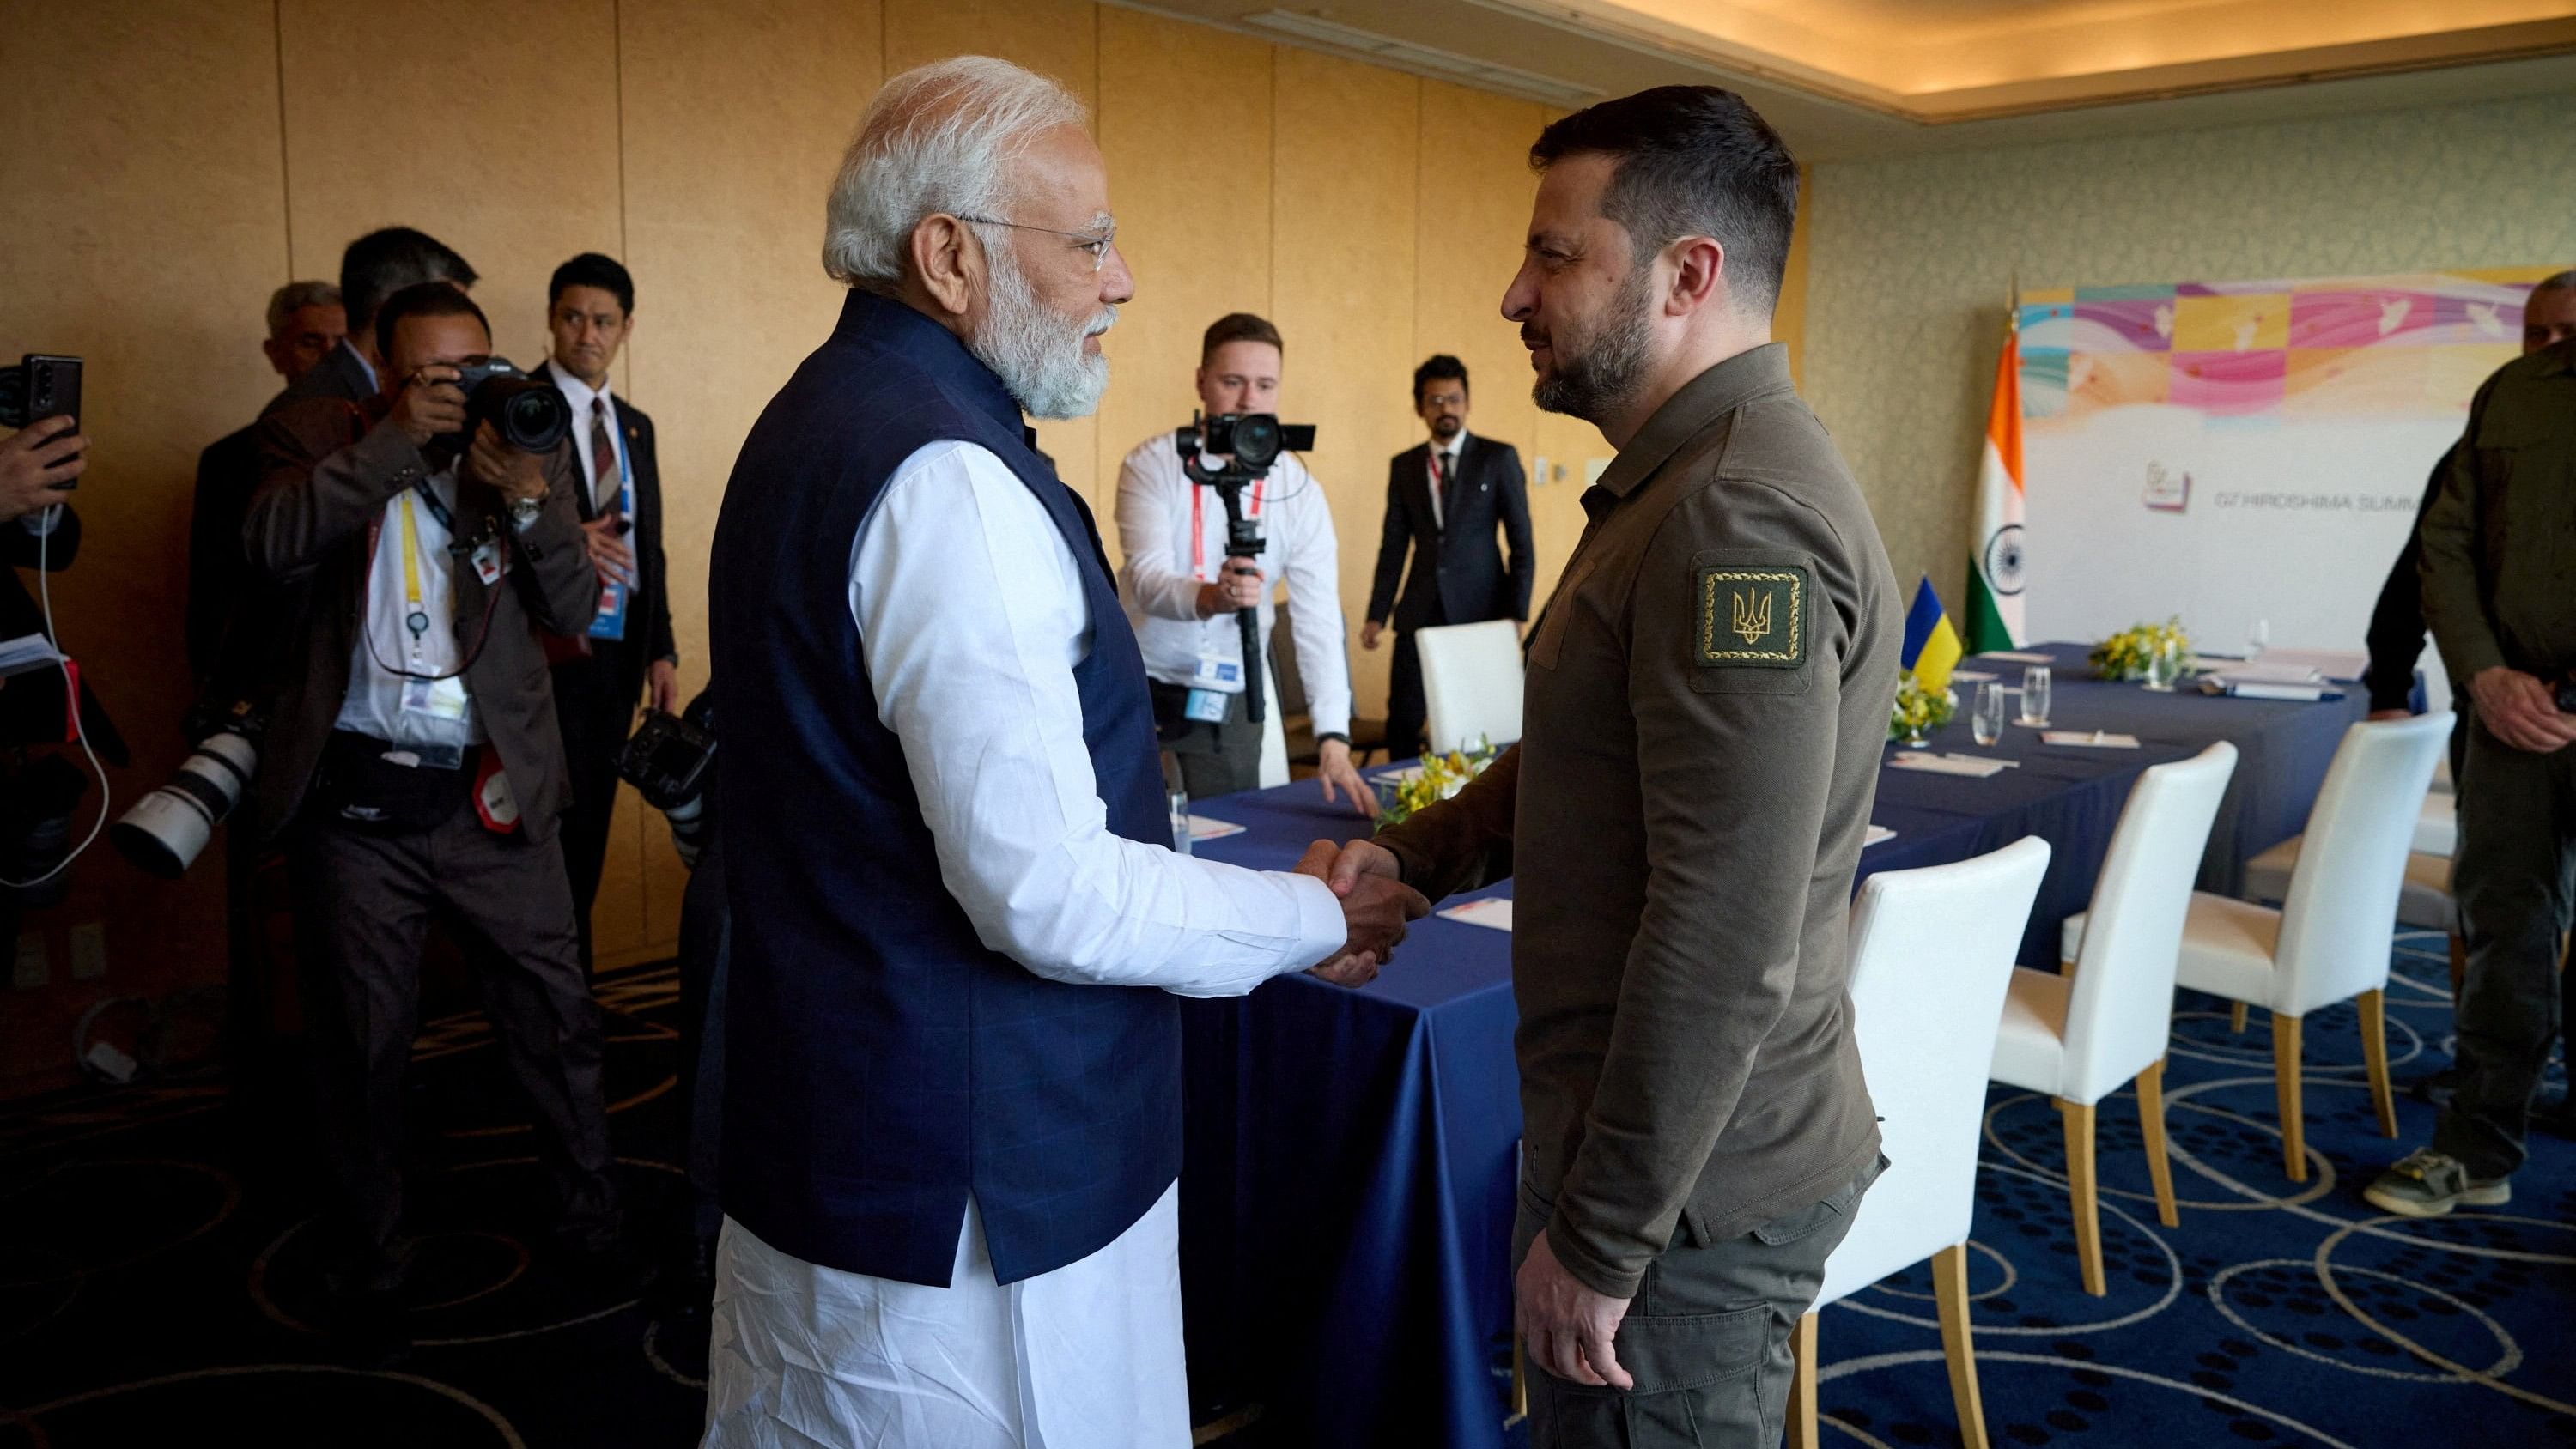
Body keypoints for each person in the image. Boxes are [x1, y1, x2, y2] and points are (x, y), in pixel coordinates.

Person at [703, 57, 1427, 1448]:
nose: (1123, 277)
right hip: (980, 1208)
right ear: (951, 256)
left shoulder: (821, 418)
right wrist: (1310, 911)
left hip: (843, 1142)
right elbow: (1045, 891)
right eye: (1088, 239)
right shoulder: (948, 480)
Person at [1317, 86, 1895, 1446]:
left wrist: (1604, 1237)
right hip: (1656, 1157)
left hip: (1681, 1201)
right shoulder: (1677, 479)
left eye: (1556, 255)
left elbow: (1726, 926)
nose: (1515, 294)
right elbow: (1591, 752)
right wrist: (1420, 850)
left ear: (1688, 275)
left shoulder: (1736, 516)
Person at [244, 281, 623, 1356]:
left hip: (490, 793)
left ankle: (591, 1217)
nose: (463, 393)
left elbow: (571, 606)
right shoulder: (326, 432)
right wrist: (399, 446)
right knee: (361, 1042)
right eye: (433, 376)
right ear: (387, 367)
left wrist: (535, 498)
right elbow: (269, 539)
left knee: (559, 1018)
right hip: (358, 805)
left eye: (477, 369)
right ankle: (374, 1250)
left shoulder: (519, 439)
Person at [2367, 322, 2576, 1217]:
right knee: (2504, 933)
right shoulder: (2516, 389)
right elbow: (2442, 542)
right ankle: (2476, 1145)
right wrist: (2484, 673)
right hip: (2511, 715)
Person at [1115, 313, 1371, 811]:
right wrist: (1212, 596)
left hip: (1234, 683)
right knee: (1131, 826)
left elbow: (1317, 619)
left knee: (1229, 829)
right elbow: (1144, 579)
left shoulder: (1297, 488)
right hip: (1143, 676)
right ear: (1201, 382)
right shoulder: (1153, 464)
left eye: (1264, 385)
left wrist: (1333, 735)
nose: (1249, 400)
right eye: (1232, 382)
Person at [532, 252, 678, 969]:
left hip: (617, 657)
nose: (585, 333)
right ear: (552, 320)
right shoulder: (520, 407)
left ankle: (574, 986)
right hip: (540, 655)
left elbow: (649, 546)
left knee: (588, 823)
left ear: (625, 329)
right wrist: (561, 539)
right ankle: (559, 984)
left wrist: (663, 650)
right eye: (572, 317)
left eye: (602, 320)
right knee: (543, 833)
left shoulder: (635, 425)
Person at [1363, 354, 1534, 759]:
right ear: (1420, 407)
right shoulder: (1404, 466)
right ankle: (1403, 810)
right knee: (1403, 718)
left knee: (1480, 719)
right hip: (1419, 608)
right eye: (1435, 401)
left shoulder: (1497, 458)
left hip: (1481, 611)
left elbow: (1522, 543)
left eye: (1454, 399)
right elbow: (1393, 546)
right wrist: (1376, 613)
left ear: (1468, 403)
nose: (1446, 409)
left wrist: (1517, 612)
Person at [191, 281, 348, 684]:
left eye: (342, 344)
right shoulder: (228, 459)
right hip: (270, 675)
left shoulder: (382, 449)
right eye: (310, 343)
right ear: (276, 353)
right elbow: (212, 596)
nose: (331, 359)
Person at [266, 227, 477, 415]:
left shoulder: (396, 391)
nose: (465, 321)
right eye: (446, 306)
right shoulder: (306, 413)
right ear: (391, 305)